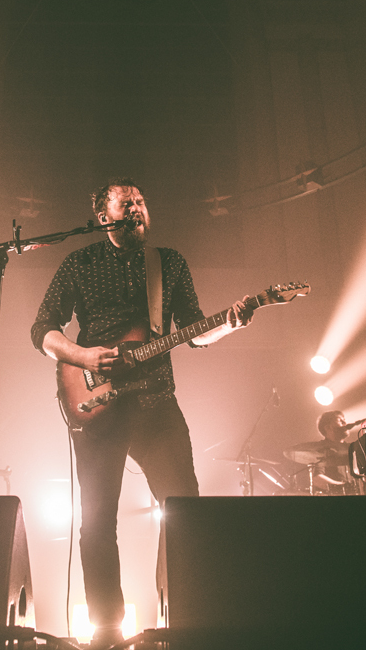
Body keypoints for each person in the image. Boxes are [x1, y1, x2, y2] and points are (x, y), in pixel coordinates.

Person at [31, 178, 253, 648]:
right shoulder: (80, 261)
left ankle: (186, 618)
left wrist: (228, 325)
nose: (137, 206)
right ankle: (107, 631)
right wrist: (85, 357)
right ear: (102, 215)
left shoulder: (168, 263)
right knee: (97, 521)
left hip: (157, 404)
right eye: (126, 201)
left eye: (141, 201)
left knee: (186, 512)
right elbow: (42, 331)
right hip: (96, 404)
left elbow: (193, 332)